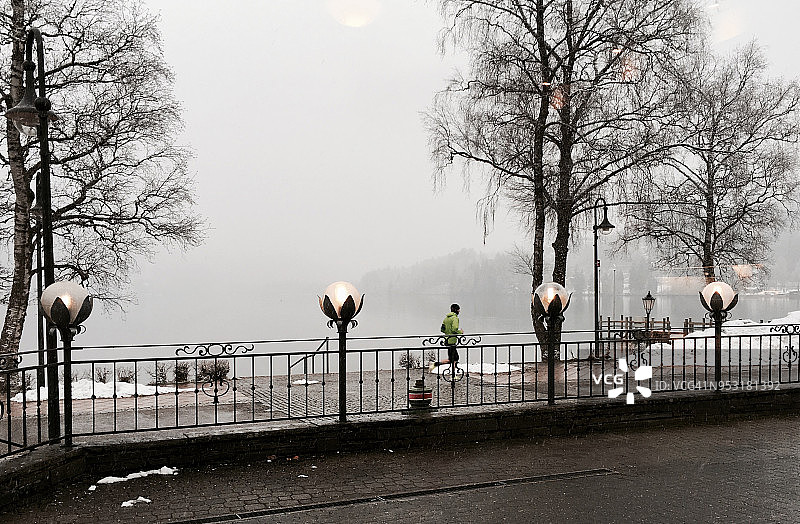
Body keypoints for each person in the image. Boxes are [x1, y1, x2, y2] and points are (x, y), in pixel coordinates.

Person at [429, 303, 463, 372]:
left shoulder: (446, 319)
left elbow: (442, 329)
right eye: (459, 310)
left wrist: (447, 331)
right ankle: (435, 364)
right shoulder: (455, 318)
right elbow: (454, 329)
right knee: (454, 358)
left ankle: (453, 374)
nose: (459, 311)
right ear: (456, 310)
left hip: (446, 340)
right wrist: (460, 332)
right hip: (452, 340)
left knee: (453, 358)